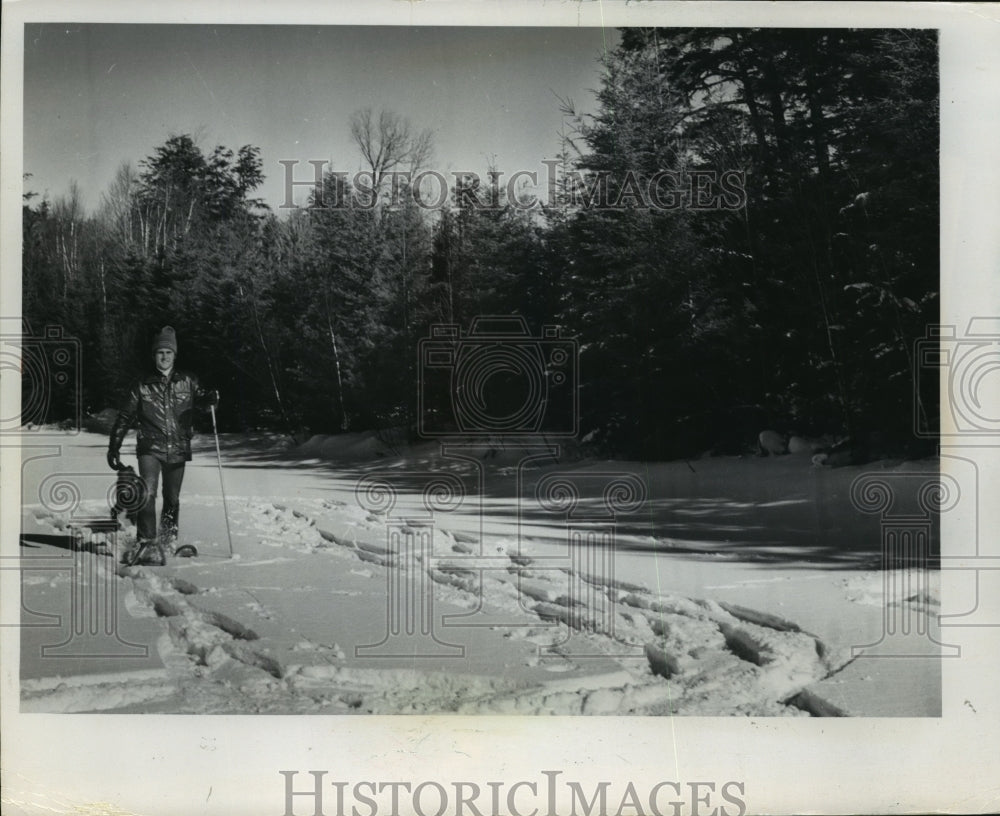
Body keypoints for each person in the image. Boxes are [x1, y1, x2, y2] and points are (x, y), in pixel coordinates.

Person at [108, 326, 218, 564]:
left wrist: (210, 400)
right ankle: (146, 543)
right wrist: (113, 446)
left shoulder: (188, 381)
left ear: (175, 354)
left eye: (168, 352)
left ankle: (167, 542)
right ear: (153, 355)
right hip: (150, 447)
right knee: (147, 493)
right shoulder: (141, 384)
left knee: (172, 497)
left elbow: (202, 402)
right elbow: (125, 417)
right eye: (160, 352)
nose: (164, 356)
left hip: (178, 448)